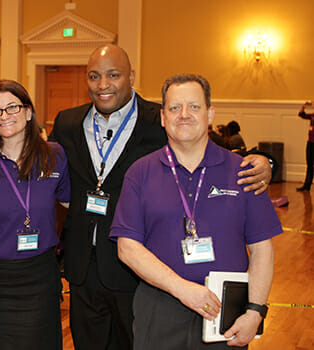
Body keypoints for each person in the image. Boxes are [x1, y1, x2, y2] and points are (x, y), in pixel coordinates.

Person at [48, 44, 272, 350]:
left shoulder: (160, 118)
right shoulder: (67, 123)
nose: (103, 84)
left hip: (138, 276)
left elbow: (209, 146)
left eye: (114, 75)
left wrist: (265, 163)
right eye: (94, 76)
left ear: (131, 77)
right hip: (84, 266)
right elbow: (46, 167)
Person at [111, 74, 281, 349]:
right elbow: (127, 248)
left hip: (227, 309)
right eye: (175, 108)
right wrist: (183, 289)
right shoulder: (140, 173)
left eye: (194, 106)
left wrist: (255, 311)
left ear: (210, 114)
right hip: (159, 306)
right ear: (163, 117)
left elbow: (262, 249)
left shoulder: (244, 173)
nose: (184, 115)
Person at [0, 80, 70, 349]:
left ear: (28, 112)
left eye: (12, 107)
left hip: (39, 278)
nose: (5, 116)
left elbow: (72, 205)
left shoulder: (54, 156)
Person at [297, 101, 314, 191]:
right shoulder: (312, 116)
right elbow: (301, 114)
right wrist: (303, 107)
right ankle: (307, 185)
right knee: (309, 164)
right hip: (310, 142)